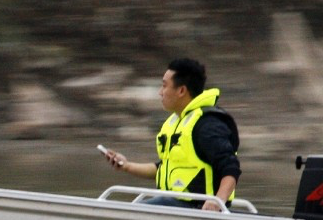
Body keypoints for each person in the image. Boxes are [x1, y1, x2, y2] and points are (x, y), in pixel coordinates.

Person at [100, 58, 240, 211]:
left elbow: (230, 167)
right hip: (174, 205)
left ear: (181, 91)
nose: (160, 92)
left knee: (133, 210)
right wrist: (126, 166)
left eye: (164, 86)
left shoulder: (207, 124)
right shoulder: (176, 122)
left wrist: (216, 202)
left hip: (197, 209)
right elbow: (163, 168)